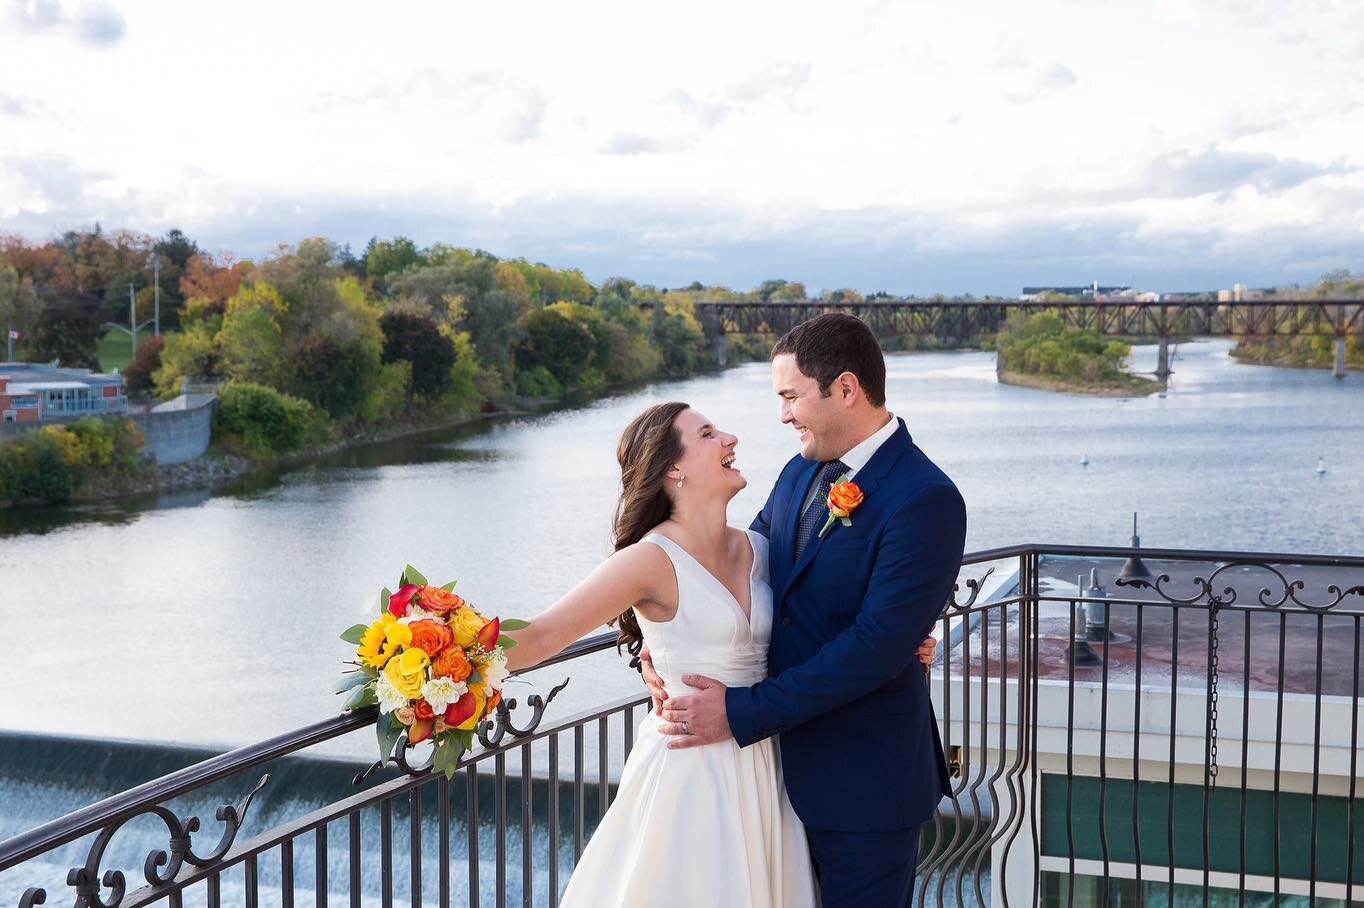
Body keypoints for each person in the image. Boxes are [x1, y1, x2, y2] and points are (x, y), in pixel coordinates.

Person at [503, 400, 937, 906]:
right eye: (708, 434)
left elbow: (832, 613)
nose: (730, 438)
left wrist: (904, 639)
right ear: (674, 470)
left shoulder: (760, 548)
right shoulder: (646, 560)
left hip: (772, 768)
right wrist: (442, 651)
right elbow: (537, 637)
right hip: (693, 770)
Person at [642, 313, 967, 908]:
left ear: (845, 389)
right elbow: (742, 568)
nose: (783, 414)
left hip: (863, 788)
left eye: (791, 396)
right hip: (771, 784)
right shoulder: (800, 473)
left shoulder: (927, 499)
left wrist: (740, 711)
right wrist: (660, 640)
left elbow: (875, 645)